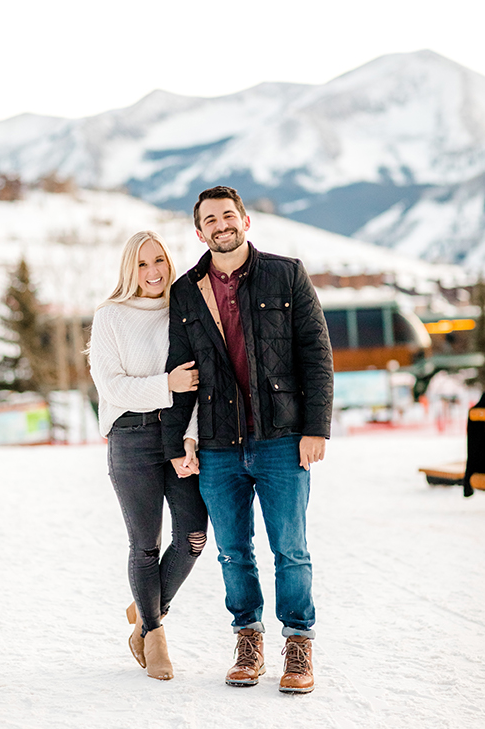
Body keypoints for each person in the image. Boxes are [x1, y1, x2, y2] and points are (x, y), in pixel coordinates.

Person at [162, 186, 333, 694]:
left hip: (281, 438)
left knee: (291, 548)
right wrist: (178, 442)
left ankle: (298, 642)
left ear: (246, 220)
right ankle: (248, 639)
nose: (220, 224)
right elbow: (178, 370)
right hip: (217, 445)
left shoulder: (287, 274)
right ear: (199, 232)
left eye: (227, 215)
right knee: (233, 551)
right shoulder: (186, 291)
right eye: (209, 219)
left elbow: (317, 357)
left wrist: (316, 428)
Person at [89, 230, 208, 681]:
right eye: (142, 264)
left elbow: (199, 388)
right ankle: (154, 633)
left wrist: (188, 442)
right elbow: (112, 385)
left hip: (176, 435)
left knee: (194, 536)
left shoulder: (184, 311)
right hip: (131, 436)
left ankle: (144, 610)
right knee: (145, 543)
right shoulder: (110, 316)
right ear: (129, 269)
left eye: (159, 260)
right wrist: (165, 386)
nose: (153, 271)